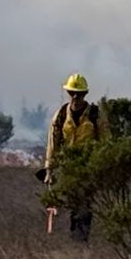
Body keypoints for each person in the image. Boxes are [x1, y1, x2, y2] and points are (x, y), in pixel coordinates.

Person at [44, 73, 111, 242]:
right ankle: (74, 237)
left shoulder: (95, 115)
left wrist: (104, 166)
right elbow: (53, 144)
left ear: (85, 94)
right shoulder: (60, 116)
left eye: (79, 93)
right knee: (73, 203)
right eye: (72, 93)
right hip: (68, 168)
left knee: (84, 204)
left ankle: (81, 238)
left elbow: (106, 142)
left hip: (89, 167)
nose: (76, 97)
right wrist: (49, 169)